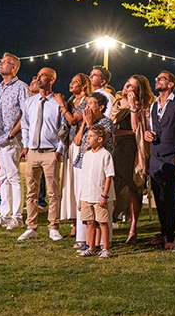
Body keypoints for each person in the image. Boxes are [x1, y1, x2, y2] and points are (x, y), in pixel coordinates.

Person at [17, 66, 67, 242]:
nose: (39, 78)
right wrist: (25, 145)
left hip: (50, 152)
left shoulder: (58, 103)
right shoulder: (30, 102)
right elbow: (25, 125)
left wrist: (59, 150)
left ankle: (53, 226)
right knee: (31, 191)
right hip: (32, 152)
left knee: (53, 192)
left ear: (51, 80)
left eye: (43, 75)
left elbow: (63, 129)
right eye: (38, 75)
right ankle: (31, 226)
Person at [0, 53, 29, 230]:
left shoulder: (21, 87)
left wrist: (13, 133)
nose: (0, 64)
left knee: (14, 177)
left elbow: (26, 113)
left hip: (10, 139)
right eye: (1, 62)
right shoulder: (0, 88)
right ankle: (5, 214)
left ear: (13, 67)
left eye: (4, 63)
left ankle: (17, 216)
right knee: (3, 177)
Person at [110, 74, 152, 244]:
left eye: (133, 86)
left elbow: (137, 128)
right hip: (119, 148)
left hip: (136, 149)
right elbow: (111, 126)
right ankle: (109, 223)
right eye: (127, 85)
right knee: (114, 187)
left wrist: (134, 107)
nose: (128, 88)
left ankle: (133, 228)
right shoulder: (118, 103)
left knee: (135, 187)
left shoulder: (145, 106)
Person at [146, 70, 175, 249]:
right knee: (158, 197)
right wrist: (148, 134)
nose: (157, 80)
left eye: (161, 78)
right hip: (155, 156)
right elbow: (153, 127)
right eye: (157, 78)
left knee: (169, 196)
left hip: (171, 155)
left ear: (170, 84)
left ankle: (170, 235)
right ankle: (163, 231)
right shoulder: (153, 105)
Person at [57, 73, 92, 238]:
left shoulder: (86, 101)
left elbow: (73, 120)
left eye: (75, 82)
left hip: (81, 145)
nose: (71, 84)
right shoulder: (71, 100)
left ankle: (82, 221)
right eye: (71, 81)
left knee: (79, 183)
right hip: (69, 145)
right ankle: (74, 221)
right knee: (69, 184)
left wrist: (61, 105)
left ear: (84, 85)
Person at [77, 125, 115, 260]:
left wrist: (104, 195)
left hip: (99, 196)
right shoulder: (86, 155)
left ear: (99, 139)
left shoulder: (106, 155)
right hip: (87, 195)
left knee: (103, 222)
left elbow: (109, 176)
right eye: (87, 137)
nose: (87, 139)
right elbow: (84, 177)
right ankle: (91, 247)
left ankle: (105, 248)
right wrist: (81, 198)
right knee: (89, 222)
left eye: (91, 137)